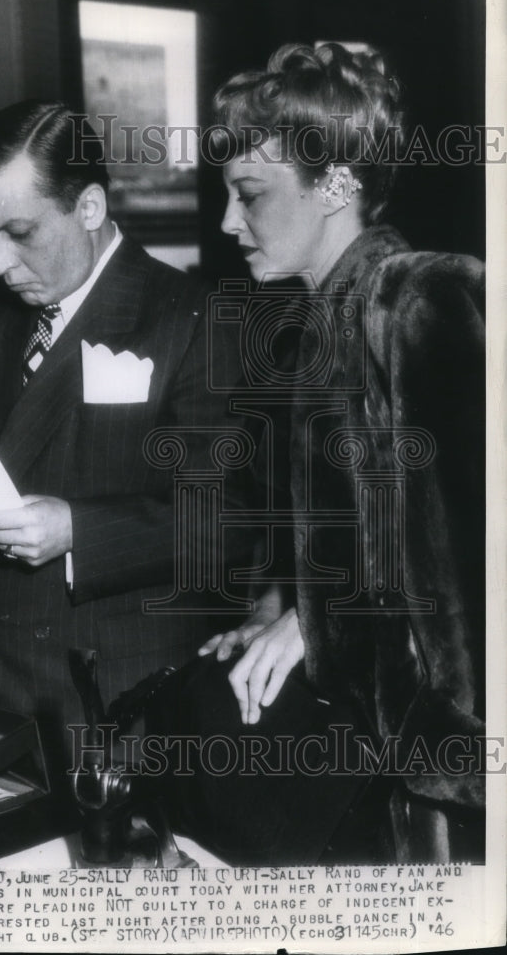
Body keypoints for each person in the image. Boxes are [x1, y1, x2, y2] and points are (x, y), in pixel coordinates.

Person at [0, 101, 250, 791]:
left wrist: (79, 531)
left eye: (19, 232)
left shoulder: (191, 316)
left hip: (110, 711)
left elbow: (233, 517)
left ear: (89, 207)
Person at [198, 43, 485, 862]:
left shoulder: (418, 296)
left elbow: (466, 584)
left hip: (448, 795)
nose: (227, 222)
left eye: (250, 195)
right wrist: (285, 614)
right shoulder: (321, 327)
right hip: (381, 768)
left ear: (335, 186)